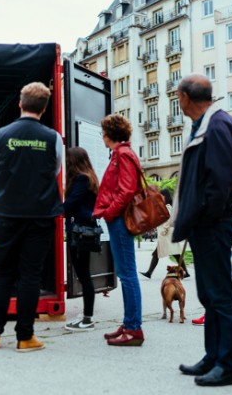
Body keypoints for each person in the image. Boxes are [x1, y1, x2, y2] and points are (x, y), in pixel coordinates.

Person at [172, 74, 232, 386]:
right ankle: (213, 356)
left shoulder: (216, 125)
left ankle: (228, 364)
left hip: (213, 225)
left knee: (220, 295)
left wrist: (205, 217)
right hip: (206, 224)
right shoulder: (208, 124)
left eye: (178, 96)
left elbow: (220, 181)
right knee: (210, 294)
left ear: (185, 98)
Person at [0, 82, 64, 352]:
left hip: (8, 213)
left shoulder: (0, 135)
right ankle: (24, 337)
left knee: (2, 273)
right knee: (30, 275)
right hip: (40, 215)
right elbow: (53, 172)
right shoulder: (54, 138)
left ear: (20, 103)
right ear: (44, 107)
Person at [92, 113, 144, 347]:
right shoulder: (121, 153)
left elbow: (126, 190)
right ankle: (129, 322)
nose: (102, 136)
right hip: (118, 219)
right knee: (125, 273)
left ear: (109, 134)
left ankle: (134, 328)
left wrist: (110, 212)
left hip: (120, 220)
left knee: (127, 274)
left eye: (103, 132)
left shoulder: (122, 154)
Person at [63, 147, 100, 332]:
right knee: (84, 274)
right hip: (85, 231)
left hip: (79, 232)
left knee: (84, 275)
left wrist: (55, 208)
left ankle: (87, 319)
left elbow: (70, 206)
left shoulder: (81, 179)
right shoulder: (89, 177)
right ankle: (87, 316)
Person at [140, 189, 189, 280]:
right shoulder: (165, 206)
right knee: (162, 254)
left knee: (175, 254)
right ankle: (149, 272)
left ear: (165, 197)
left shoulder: (167, 206)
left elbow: (168, 219)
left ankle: (149, 272)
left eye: (161, 196)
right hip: (166, 236)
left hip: (166, 235)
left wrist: (165, 230)